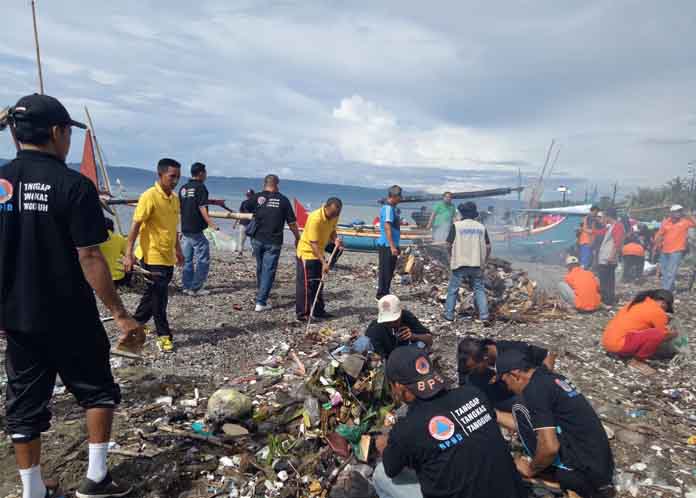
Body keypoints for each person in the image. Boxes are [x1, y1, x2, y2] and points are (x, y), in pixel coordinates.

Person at [0, 93, 144, 498]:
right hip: (70, 314)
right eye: (66, 132)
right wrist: (120, 314)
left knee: (25, 405)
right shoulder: (73, 186)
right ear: (58, 132)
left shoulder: (2, 182)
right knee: (97, 391)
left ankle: (33, 491)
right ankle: (95, 478)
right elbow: (90, 255)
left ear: (14, 131)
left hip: (18, 315)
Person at [372, 346, 528, 498]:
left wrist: (385, 446)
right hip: (514, 492)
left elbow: (391, 469)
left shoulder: (406, 430)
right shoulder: (473, 394)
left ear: (399, 387)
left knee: (380, 475)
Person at [496, 350, 615, 498]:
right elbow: (525, 425)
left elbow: (550, 448)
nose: (507, 387)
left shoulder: (534, 391)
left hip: (585, 476)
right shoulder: (552, 379)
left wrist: (530, 469)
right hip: (603, 466)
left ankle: (565, 486)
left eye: (504, 381)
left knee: (519, 410)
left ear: (514, 375)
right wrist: (494, 415)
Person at [124, 158, 184, 353]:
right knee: (160, 297)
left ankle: (136, 323)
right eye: (171, 176)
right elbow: (135, 226)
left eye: (177, 177)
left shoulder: (174, 198)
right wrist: (128, 254)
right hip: (151, 255)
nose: (175, 180)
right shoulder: (149, 196)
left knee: (152, 293)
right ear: (160, 175)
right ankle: (164, 335)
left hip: (167, 256)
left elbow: (173, 228)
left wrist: (178, 249)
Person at [457, 337, 555, 411]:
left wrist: (542, 381)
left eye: (475, 368)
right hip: (496, 399)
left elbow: (548, 355)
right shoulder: (468, 358)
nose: (472, 372)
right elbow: (463, 381)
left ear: (485, 358)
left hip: (522, 397)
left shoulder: (514, 351)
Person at [248, 174, 300, 312]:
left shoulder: (257, 198)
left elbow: (245, 207)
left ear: (264, 183)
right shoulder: (283, 200)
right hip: (273, 241)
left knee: (261, 267)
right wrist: (297, 237)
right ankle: (261, 301)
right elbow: (292, 222)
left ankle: (261, 293)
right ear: (277, 184)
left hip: (257, 239)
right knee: (268, 271)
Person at [295, 197, 344, 321]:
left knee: (318, 283)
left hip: (320, 251)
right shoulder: (315, 218)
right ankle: (303, 314)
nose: (334, 216)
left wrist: (335, 239)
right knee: (307, 285)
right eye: (332, 213)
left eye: (336, 214)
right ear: (326, 207)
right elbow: (313, 244)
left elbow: (332, 230)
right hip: (307, 253)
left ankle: (318, 311)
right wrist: (324, 262)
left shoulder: (334, 216)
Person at [443, 202, 490, 323]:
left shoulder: (456, 226)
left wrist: (450, 257)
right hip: (476, 263)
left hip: (460, 263)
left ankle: (449, 315)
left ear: (463, 213)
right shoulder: (481, 227)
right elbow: (488, 246)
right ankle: (484, 316)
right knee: (479, 289)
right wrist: (485, 260)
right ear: (474, 214)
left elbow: (447, 244)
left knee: (453, 289)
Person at [602, 289, 677, 365]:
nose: (665, 311)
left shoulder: (637, 302)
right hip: (619, 346)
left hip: (607, 343)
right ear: (663, 303)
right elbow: (664, 334)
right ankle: (638, 360)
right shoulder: (658, 312)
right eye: (666, 308)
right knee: (658, 334)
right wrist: (674, 334)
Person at [179, 162, 217, 296]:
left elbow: (181, 207)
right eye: (205, 172)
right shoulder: (201, 188)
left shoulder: (183, 188)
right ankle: (195, 288)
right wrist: (210, 222)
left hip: (185, 227)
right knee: (203, 258)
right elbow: (202, 207)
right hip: (195, 229)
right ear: (201, 173)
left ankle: (186, 285)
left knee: (187, 258)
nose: (206, 175)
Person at [363, 295, 433, 358]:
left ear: (401, 314)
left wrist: (413, 336)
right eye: (388, 322)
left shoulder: (407, 317)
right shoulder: (375, 330)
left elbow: (429, 340)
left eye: (395, 321)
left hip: (406, 352)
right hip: (389, 359)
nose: (392, 324)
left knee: (421, 344)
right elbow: (379, 358)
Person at [655, 205, 696, 291]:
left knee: (671, 272)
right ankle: (670, 287)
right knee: (664, 272)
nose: (679, 213)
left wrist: (688, 215)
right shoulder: (666, 222)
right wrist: (657, 245)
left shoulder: (684, 222)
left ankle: (666, 290)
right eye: (677, 211)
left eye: (680, 211)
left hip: (677, 251)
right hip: (664, 250)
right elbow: (659, 234)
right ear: (672, 213)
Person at [376, 185, 402, 300]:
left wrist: (396, 245)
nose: (401, 198)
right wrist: (392, 246)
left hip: (391, 244)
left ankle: (385, 291)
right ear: (395, 196)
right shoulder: (387, 208)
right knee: (385, 270)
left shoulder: (392, 208)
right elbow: (387, 227)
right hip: (386, 245)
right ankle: (381, 294)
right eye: (399, 196)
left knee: (389, 270)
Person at [596, 208, 624, 307]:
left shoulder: (618, 226)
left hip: (608, 258)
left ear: (608, 216)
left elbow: (617, 243)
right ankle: (606, 299)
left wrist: (612, 256)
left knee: (607, 280)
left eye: (604, 216)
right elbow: (599, 233)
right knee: (605, 279)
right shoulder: (611, 226)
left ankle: (607, 300)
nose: (603, 218)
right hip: (605, 257)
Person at [99, 218, 130, 287]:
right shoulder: (119, 238)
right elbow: (128, 255)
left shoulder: (96, 240)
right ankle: (128, 284)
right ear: (112, 227)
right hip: (120, 275)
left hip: (103, 277)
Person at [235, 188, 255, 255]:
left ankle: (252, 252)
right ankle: (240, 251)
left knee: (251, 239)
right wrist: (235, 223)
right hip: (245, 223)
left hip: (250, 223)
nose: (248, 196)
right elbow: (240, 213)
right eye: (247, 195)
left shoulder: (246, 203)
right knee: (243, 238)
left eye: (249, 195)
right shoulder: (245, 202)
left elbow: (240, 213)